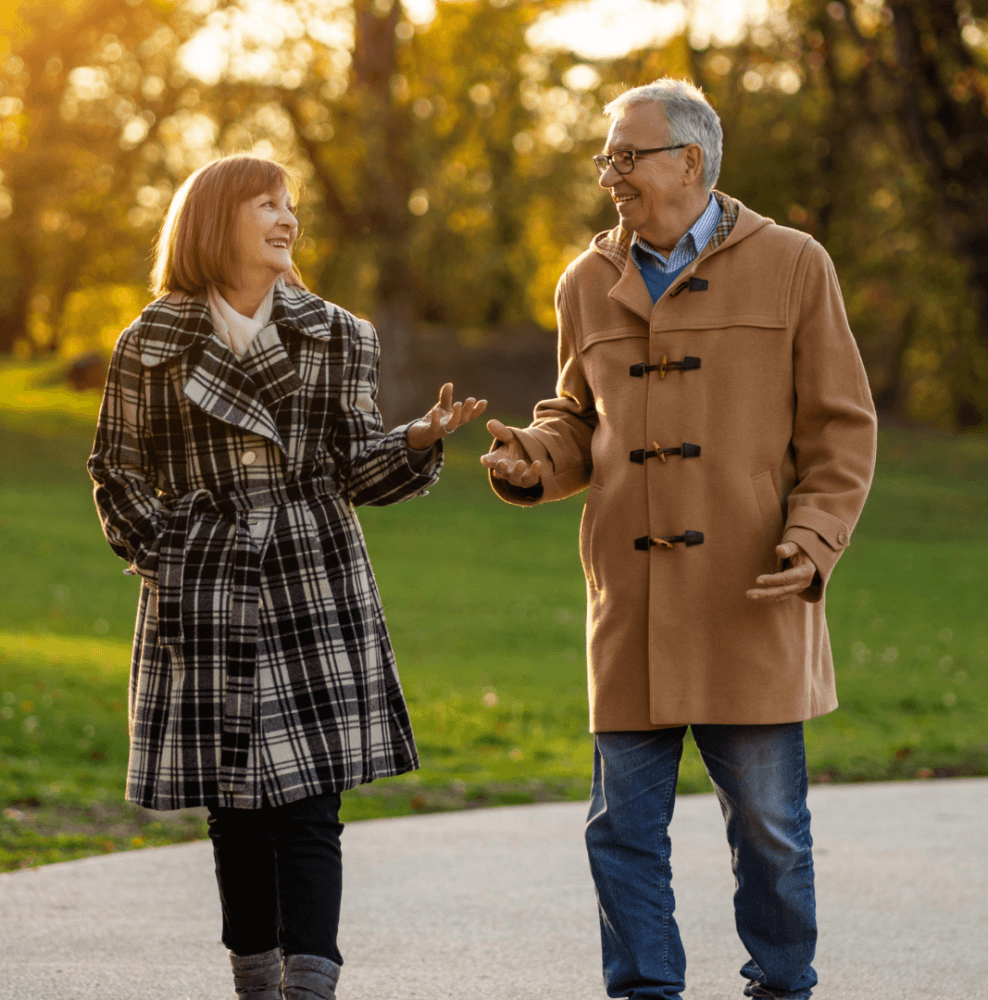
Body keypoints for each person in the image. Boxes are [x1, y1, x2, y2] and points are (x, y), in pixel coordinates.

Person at [481, 79, 877, 999]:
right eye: (606, 158)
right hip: (633, 600)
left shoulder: (794, 264)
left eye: (627, 156)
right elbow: (579, 420)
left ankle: (781, 987)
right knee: (619, 829)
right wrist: (532, 457)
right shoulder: (585, 280)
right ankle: (645, 992)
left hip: (752, 593)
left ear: (688, 162)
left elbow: (841, 427)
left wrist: (813, 538)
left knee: (770, 830)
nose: (610, 174)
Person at [87, 154, 486, 1000]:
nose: (287, 219)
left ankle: (309, 988)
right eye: (266, 203)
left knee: (312, 807)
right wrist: (170, 551)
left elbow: (355, 469)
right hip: (206, 585)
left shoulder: (340, 334)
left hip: (313, 577)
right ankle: (256, 985)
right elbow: (115, 473)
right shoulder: (149, 341)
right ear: (214, 219)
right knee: (234, 809)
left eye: (291, 205)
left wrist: (416, 441)